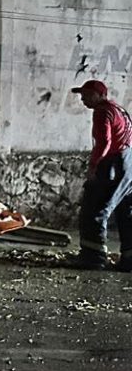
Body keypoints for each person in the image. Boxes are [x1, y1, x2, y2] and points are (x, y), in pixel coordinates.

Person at [66, 79, 132, 271]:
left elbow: (104, 142)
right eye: (82, 95)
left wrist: (94, 166)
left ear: (101, 95)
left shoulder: (102, 111)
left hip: (113, 164)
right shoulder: (119, 110)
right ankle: (129, 260)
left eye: (87, 95)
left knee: (94, 210)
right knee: (126, 212)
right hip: (128, 163)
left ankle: (93, 258)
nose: (83, 99)